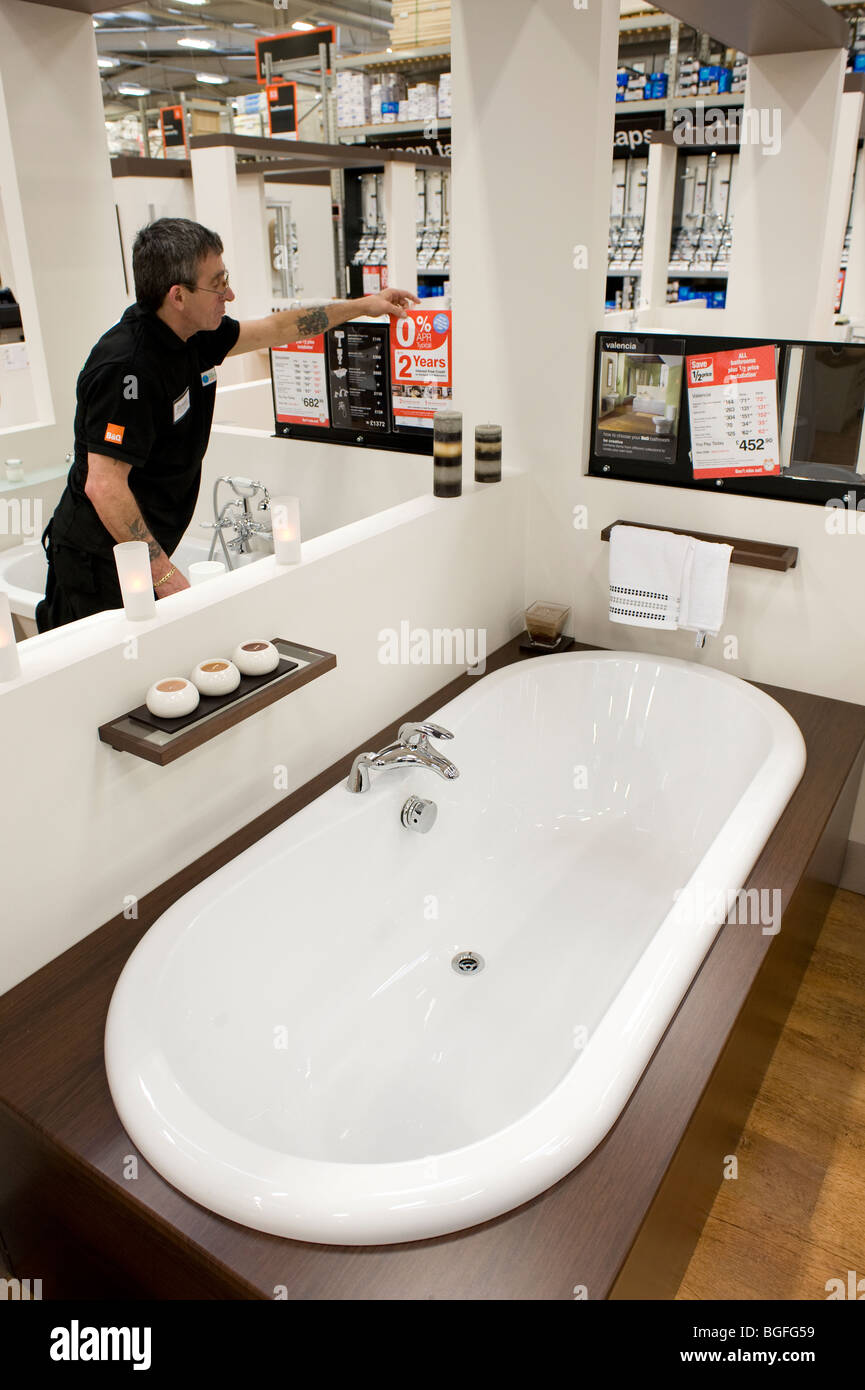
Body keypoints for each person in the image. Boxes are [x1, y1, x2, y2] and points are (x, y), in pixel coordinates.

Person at [35, 218, 419, 632]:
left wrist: (363, 305)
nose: (229, 294)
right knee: (100, 676)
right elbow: (105, 485)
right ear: (177, 295)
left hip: (137, 552)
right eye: (218, 284)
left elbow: (277, 328)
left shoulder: (194, 334)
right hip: (97, 561)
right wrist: (165, 576)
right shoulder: (127, 370)